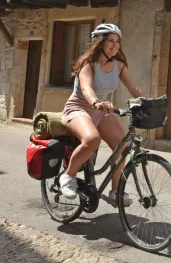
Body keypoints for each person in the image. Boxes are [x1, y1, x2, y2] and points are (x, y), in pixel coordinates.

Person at [59, 23, 146, 205]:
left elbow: (133, 87)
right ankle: (68, 176)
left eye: (117, 41)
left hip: (101, 112)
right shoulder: (88, 64)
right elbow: (86, 88)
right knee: (92, 139)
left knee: (122, 147)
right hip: (78, 108)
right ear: (100, 43)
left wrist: (150, 103)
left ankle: (116, 192)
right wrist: (96, 102)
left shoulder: (119, 65)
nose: (115, 45)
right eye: (110, 41)